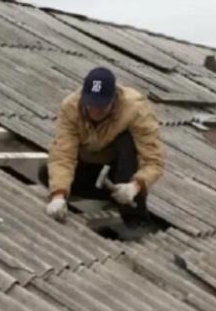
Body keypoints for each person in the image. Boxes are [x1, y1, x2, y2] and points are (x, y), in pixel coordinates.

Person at [40, 67, 164, 227]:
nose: (95, 111)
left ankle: (135, 219)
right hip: (89, 164)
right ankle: (111, 195)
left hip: (120, 168)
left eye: (101, 106)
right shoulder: (70, 107)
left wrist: (136, 186)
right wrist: (58, 195)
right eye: (90, 105)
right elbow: (63, 155)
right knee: (46, 174)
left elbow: (153, 161)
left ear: (114, 99)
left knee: (126, 142)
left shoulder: (136, 109)